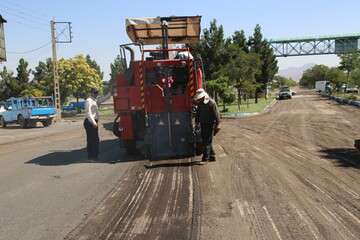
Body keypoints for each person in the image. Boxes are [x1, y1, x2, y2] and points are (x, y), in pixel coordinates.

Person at [194, 88, 220, 162]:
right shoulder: (200, 103)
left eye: (201, 97)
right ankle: (212, 156)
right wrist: (196, 122)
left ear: (204, 96)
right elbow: (198, 114)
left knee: (207, 141)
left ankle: (205, 158)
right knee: (206, 140)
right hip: (203, 124)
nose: (200, 99)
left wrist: (217, 125)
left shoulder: (211, 103)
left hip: (211, 124)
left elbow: (217, 115)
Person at [84, 88, 100, 160]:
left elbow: (102, 99)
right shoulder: (88, 101)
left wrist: (110, 94)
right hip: (90, 122)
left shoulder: (94, 100)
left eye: (97, 92)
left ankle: (94, 156)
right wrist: (93, 122)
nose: (96, 94)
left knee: (95, 139)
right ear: (91, 93)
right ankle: (92, 156)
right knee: (92, 139)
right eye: (95, 92)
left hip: (93, 122)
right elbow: (88, 113)